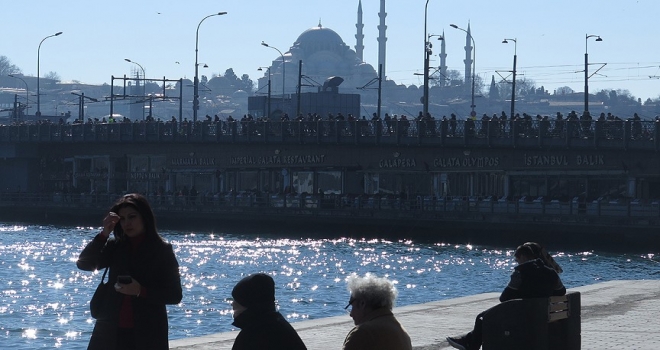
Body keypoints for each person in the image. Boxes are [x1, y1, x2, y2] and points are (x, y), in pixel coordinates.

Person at [76, 193, 183, 350]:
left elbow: (175, 295)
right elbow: (84, 264)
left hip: (147, 333)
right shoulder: (116, 246)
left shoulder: (162, 250)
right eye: (123, 219)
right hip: (110, 330)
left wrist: (140, 291)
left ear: (144, 217)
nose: (127, 223)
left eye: (132, 217)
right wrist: (104, 234)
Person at [446, 243, 565, 350]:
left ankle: (470, 345)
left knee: (482, 318)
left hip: (522, 316)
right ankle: (468, 342)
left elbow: (504, 298)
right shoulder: (551, 272)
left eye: (517, 259)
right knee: (486, 317)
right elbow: (561, 291)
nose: (517, 262)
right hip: (543, 316)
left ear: (523, 257)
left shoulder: (520, 272)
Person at [230, 273, 307, 350]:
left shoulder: (253, 335)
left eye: (236, 300)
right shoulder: (278, 325)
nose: (232, 304)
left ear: (248, 303)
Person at [342, 273, 412, 350]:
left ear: (362, 303)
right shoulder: (400, 331)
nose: (351, 314)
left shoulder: (363, 333)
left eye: (352, 306)